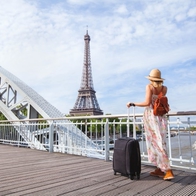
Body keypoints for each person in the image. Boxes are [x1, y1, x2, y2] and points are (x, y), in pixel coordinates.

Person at [126, 68, 174, 181]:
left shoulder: (149, 87)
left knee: (155, 143)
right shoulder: (164, 88)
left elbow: (147, 103)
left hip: (152, 117)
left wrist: (132, 103)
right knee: (160, 142)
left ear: (151, 78)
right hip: (161, 118)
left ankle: (168, 170)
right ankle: (159, 169)